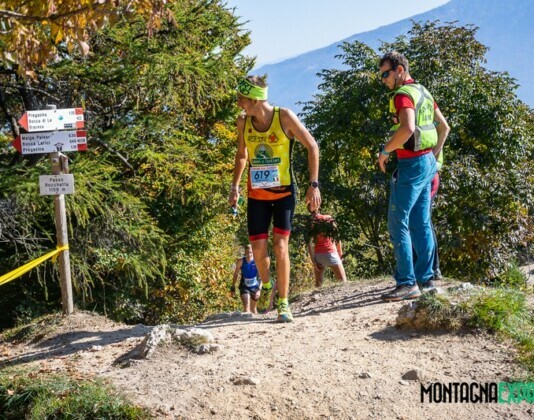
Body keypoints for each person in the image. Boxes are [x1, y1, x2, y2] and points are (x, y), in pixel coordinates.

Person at [229, 75, 321, 322]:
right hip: (256, 196)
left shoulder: (284, 117)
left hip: (284, 194)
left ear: (254, 100)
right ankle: (267, 283)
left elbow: (312, 146)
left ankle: (283, 302)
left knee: (281, 246)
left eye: (241, 99)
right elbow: (242, 155)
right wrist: (234, 186)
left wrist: (314, 185)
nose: (238, 103)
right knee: (259, 252)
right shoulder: (243, 122)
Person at [377, 51, 450, 302]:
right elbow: (444, 126)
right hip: (428, 162)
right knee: (421, 222)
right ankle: (426, 280)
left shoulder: (402, 95)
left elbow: (407, 128)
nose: (384, 79)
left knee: (398, 222)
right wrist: (433, 156)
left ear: (399, 70)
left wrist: (385, 151)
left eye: (386, 74)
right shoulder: (423, 91)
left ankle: (407, 283)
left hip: (411, 165)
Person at [307, 205, 347, 287]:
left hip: (318, 256)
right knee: (343, 282)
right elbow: (337, 237)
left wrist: (314, 262)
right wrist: (340, 254)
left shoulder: (309, 223)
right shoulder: (328, 218)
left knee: (318, 284)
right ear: (319, 207)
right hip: (331, 253)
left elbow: (309, 244)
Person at [231, 245, 261, 314]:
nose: (249, 254)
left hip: (255, 286)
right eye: (247, 252)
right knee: (246, 306)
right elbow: (236, 274)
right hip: (244, 286)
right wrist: (233, 286)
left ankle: (254, 321)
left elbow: (261, 277)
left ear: (253, 252)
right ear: (245, 252)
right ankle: (246, 318)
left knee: (253, 309)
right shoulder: (241, 261)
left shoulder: (257, 261)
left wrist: (259, 290)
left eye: (251, 252)